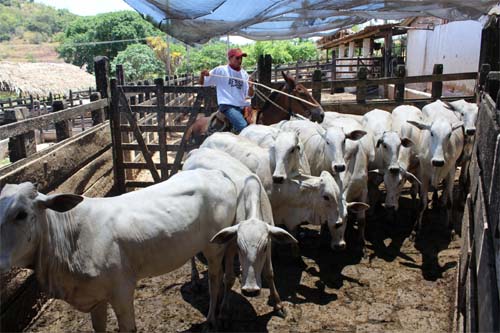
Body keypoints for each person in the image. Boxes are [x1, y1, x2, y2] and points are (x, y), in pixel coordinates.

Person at [199, 48, 254, 133]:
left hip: (242, 105)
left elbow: (250, 95)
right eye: (237, 58)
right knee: (243, 127)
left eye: (241, 58)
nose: (240, 60)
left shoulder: (245, 74)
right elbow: (203, 83)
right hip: (228, 106)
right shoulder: (221, 70)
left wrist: (251, 87)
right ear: (230, 58)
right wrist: (202, 75)